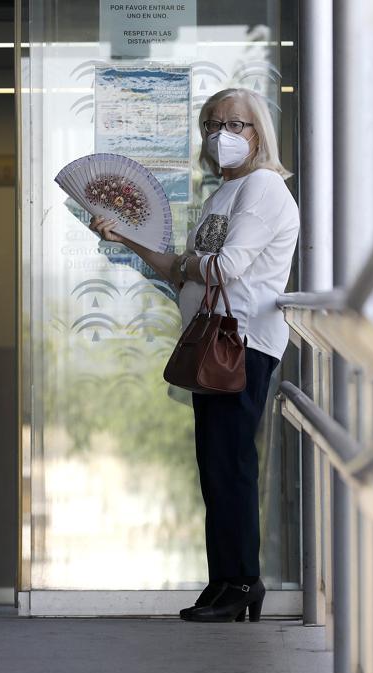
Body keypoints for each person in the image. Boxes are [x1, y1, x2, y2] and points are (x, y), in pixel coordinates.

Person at [89, 87, 298, 623]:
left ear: (258, 135)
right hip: (212, 343)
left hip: (242, 343)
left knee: (231, 465)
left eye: (236, 125)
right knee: (214, 466)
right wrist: (126, 238)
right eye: (212, 124)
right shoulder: (220, 195)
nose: (221, 135)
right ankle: (223, 579)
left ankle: (243, 582)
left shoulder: (265, 188)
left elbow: (222, 267)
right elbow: (179, 267)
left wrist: (186, 265)